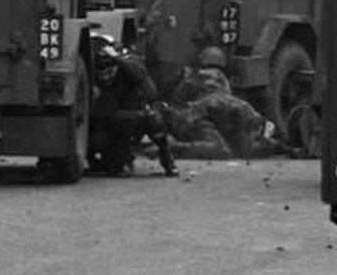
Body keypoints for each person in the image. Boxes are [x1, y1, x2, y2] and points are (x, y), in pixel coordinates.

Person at [165, 46, 281, 159]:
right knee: (238, 149)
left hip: (199, 113)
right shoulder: (223, 79)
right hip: (219, 114)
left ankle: (173, 147)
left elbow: (177, 101)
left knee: (218, 147)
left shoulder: (194, 76)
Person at [89, 39, 177, 177]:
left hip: (140, 114)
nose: (105, 77)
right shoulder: (93, 79)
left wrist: (117, 59)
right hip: (112, 119)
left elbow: (139, 74)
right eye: (101, 74)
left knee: (156, 121)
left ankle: (168, 161)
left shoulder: (130, 68)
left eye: (109, 72)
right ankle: (117, 162)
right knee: (102, 137)